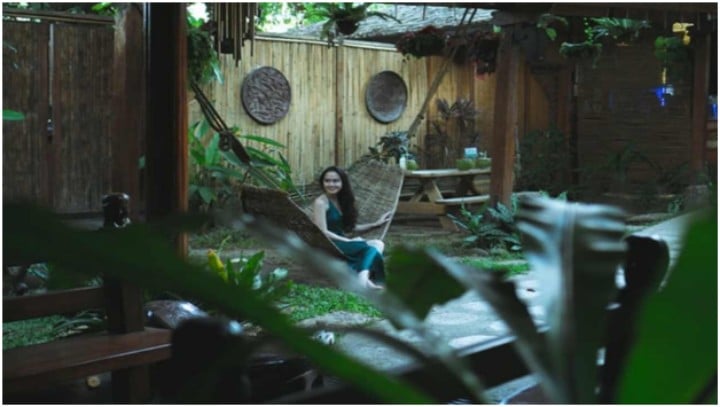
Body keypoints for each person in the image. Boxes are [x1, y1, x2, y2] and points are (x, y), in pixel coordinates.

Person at [312, 166, 392, 290]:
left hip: (343, 242)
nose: (331, 184)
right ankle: (364, 279)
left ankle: (363, 278)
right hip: (329, 244)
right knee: (370, 249)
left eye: (335, 181)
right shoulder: (321, 203)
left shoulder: (342, 200)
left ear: (342, 182)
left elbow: (350, 227)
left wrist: (374, 224)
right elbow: (322, 231)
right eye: (327, 181)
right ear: (322, 183)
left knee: (378, 243)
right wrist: (347, 241)